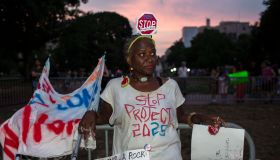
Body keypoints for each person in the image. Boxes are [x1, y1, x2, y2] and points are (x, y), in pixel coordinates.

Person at [78, 35, 224, 160]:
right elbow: (104, 117)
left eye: (152, 53)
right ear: (130, 60)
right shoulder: (115, 87)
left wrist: (197, 118)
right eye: (142, 54)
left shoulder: (170, 86)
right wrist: (91, 113)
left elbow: (180, 116)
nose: (150, 59)